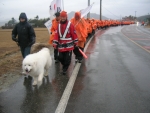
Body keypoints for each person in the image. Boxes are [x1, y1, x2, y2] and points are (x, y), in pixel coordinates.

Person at [53, 11, 78, 75]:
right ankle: (65, 65)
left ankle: (65, 69)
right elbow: (56, 35)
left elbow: (74, 33)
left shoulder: (70, 24)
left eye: (64, 17)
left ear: (66, 17)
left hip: (69, 45)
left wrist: (75, 42)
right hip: (61, 45)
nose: (63, 18)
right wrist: (55, 43)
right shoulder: (58, 25)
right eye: (62, 17)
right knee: (60, 57)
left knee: (67, 58)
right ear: (60, 17)